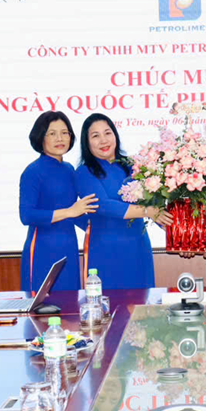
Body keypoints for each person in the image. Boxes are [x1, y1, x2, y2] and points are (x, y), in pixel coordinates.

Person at [75, 113, 171, 290]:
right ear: (86, 142)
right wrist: (148, 211)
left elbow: (153, 201)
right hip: (106, 250)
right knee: (108, 303)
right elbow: (102, 205)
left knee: (143, 302)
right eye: (95, 136)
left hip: (138, 247)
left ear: (115, 135)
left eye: (107, 133)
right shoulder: (84, 172)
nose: (103, 140)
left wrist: (171, 225)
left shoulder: (134, 166)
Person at [19, 111, 98, 292]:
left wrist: (98, 227)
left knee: (70, 302)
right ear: (41, 137)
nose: (60, 138)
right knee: (43, 305)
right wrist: (69, 212)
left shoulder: (69, 169)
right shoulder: (33, 172)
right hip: (42, 248)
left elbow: (75, 212)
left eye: (64, 133)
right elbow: (26, 215)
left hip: (68, 246)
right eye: (52, 133)